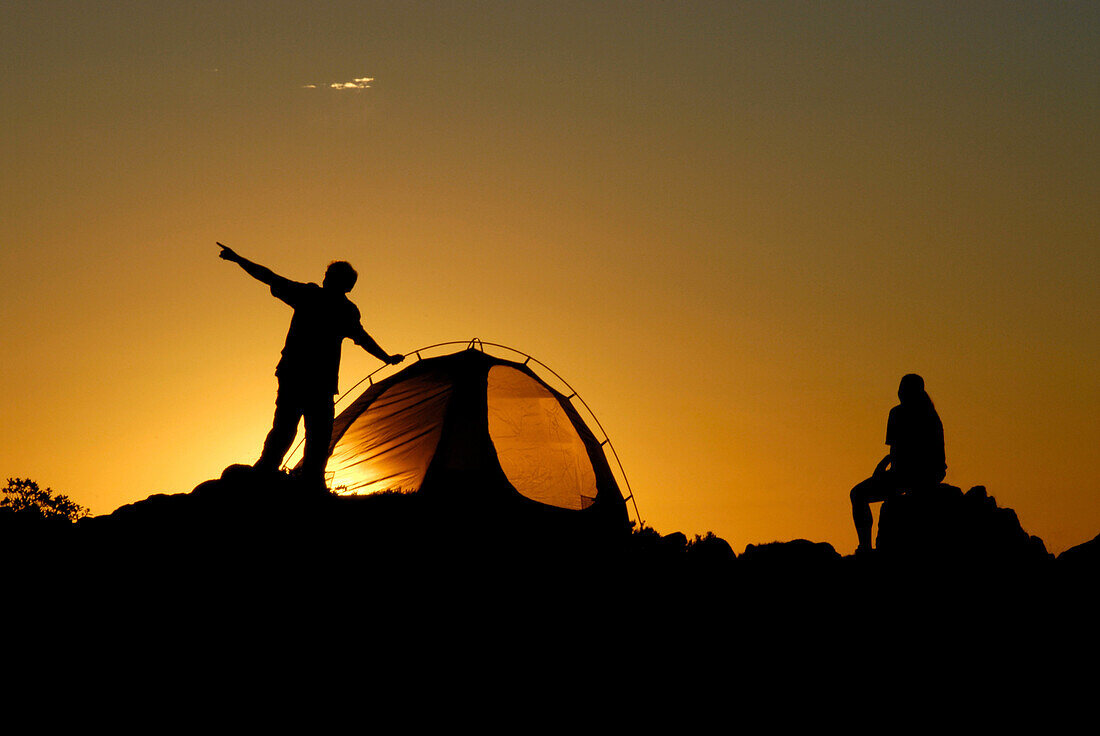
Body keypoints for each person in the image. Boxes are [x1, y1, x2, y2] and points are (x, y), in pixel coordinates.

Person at [218, 243, 403, 492]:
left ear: (344, 285)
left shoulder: (324, 302)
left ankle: (299, 477)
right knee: (301, 429)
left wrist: (386, 357)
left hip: (310, 379)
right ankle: (278, 473)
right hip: (304, 378)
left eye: (329, 277)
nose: (324, 279)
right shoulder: (328, 303)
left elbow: (362, 337)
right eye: (326, 276)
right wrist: (238, 259)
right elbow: (270, 277)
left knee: (309, 431)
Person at [850, 374, 946, 554]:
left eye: (903, 389)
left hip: (916, 474)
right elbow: (896, 452)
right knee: (860, 494)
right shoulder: (929, 414)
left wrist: (885, 472)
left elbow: (902, 452)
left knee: (857, 494)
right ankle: (865, 546)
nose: (900, 393)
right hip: (925, 472)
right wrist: (883, 467)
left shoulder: (903, 414)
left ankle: (865, 547)